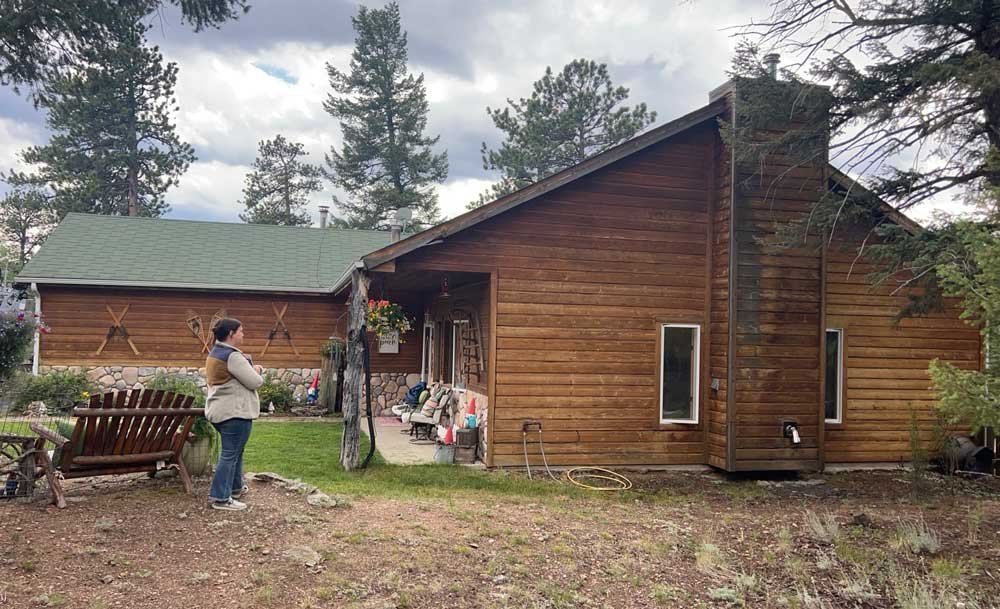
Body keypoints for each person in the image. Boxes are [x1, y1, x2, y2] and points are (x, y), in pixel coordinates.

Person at [205, 318, 263, 511]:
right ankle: (221, 498)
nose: (243, 334)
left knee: (235, 451)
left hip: (219, 411)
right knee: (229, 454)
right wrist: (256, 370)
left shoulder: (215, 352)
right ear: (231, 334)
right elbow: (255, 382)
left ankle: (236, 488)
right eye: (241, 331)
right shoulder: (233, 356)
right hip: (234, 413)